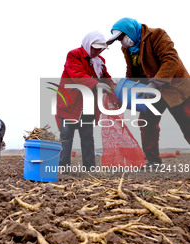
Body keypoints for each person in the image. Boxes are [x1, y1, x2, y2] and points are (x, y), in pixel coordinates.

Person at [106, 17, 190, 166]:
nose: (122, 42)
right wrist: (125, 90)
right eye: (118, 40)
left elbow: (171, 60)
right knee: (146, 123)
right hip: (150, 92)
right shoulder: (127, 49)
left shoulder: (157, 35)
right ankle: (153, 160)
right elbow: (131, 71)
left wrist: (156, 83)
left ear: (130, 31)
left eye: (122, 37)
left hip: (173, 88)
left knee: (186, 121)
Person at [56, 31, 115, 171]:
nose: (98, 51)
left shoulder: (100, 62)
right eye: (95, 48)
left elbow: (106, 78)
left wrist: (114, 89)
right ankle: (63, 168)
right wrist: (95, 84)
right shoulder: (74, 55)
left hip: (87, 105)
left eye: (100, 49)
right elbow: (77, 75)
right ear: (89, 44)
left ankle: (90, 169)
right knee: (66, 136)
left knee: (87, 136)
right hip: (69, 104)